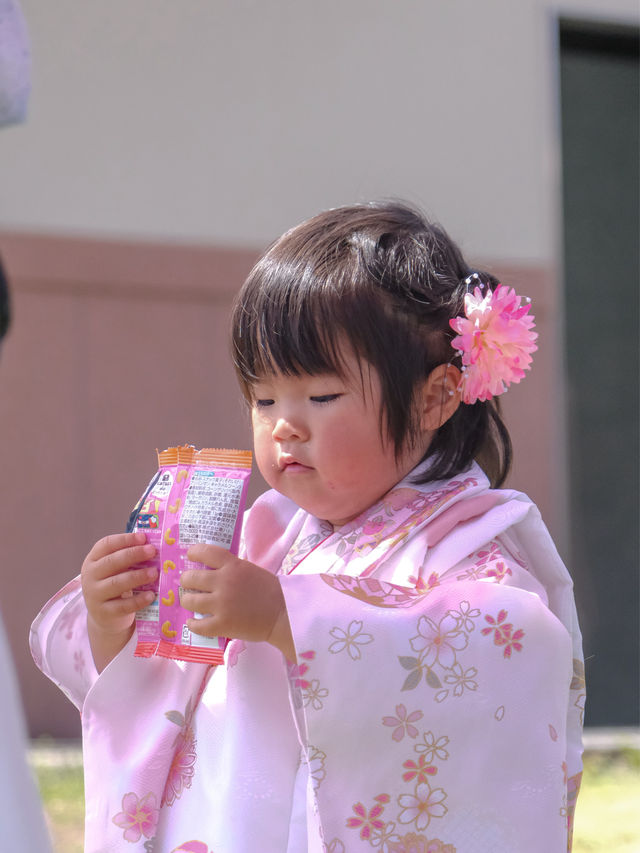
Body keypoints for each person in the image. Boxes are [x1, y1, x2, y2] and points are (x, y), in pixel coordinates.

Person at [31, 201, 584, 852]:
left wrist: (290, 617)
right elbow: (165, 688)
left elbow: (507, 649)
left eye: (320, 396)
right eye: (264, 398)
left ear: (436, 395)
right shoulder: (268, 533)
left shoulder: (468, 537)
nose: (284, 424)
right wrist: (116, 619)